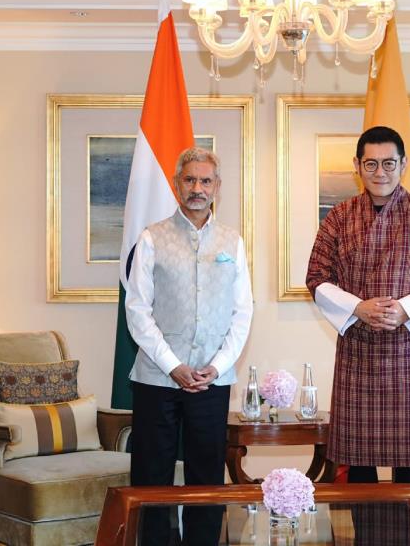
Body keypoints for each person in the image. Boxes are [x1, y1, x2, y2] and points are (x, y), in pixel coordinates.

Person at [305, 125, 410, 484]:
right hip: (358, 355)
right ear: (357, 166)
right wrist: (358, 308)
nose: (381, 173)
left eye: (389, 164)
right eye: (371, 164)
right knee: (360, 469)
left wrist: (407, 309)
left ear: (403, 164)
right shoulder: (339, 217)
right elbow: (317, 277)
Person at [123, 147, 253, 545]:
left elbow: (242, 312)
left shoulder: (233, 241)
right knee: (152, 476)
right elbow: (138, 312)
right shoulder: (151, 238)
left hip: (211, 381)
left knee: (207, 477)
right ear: (178, 183)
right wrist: (172, 366)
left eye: (206, 181)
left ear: (217, 187)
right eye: (190, 180)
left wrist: (217, 365)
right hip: (157, 379)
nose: (197, 188)